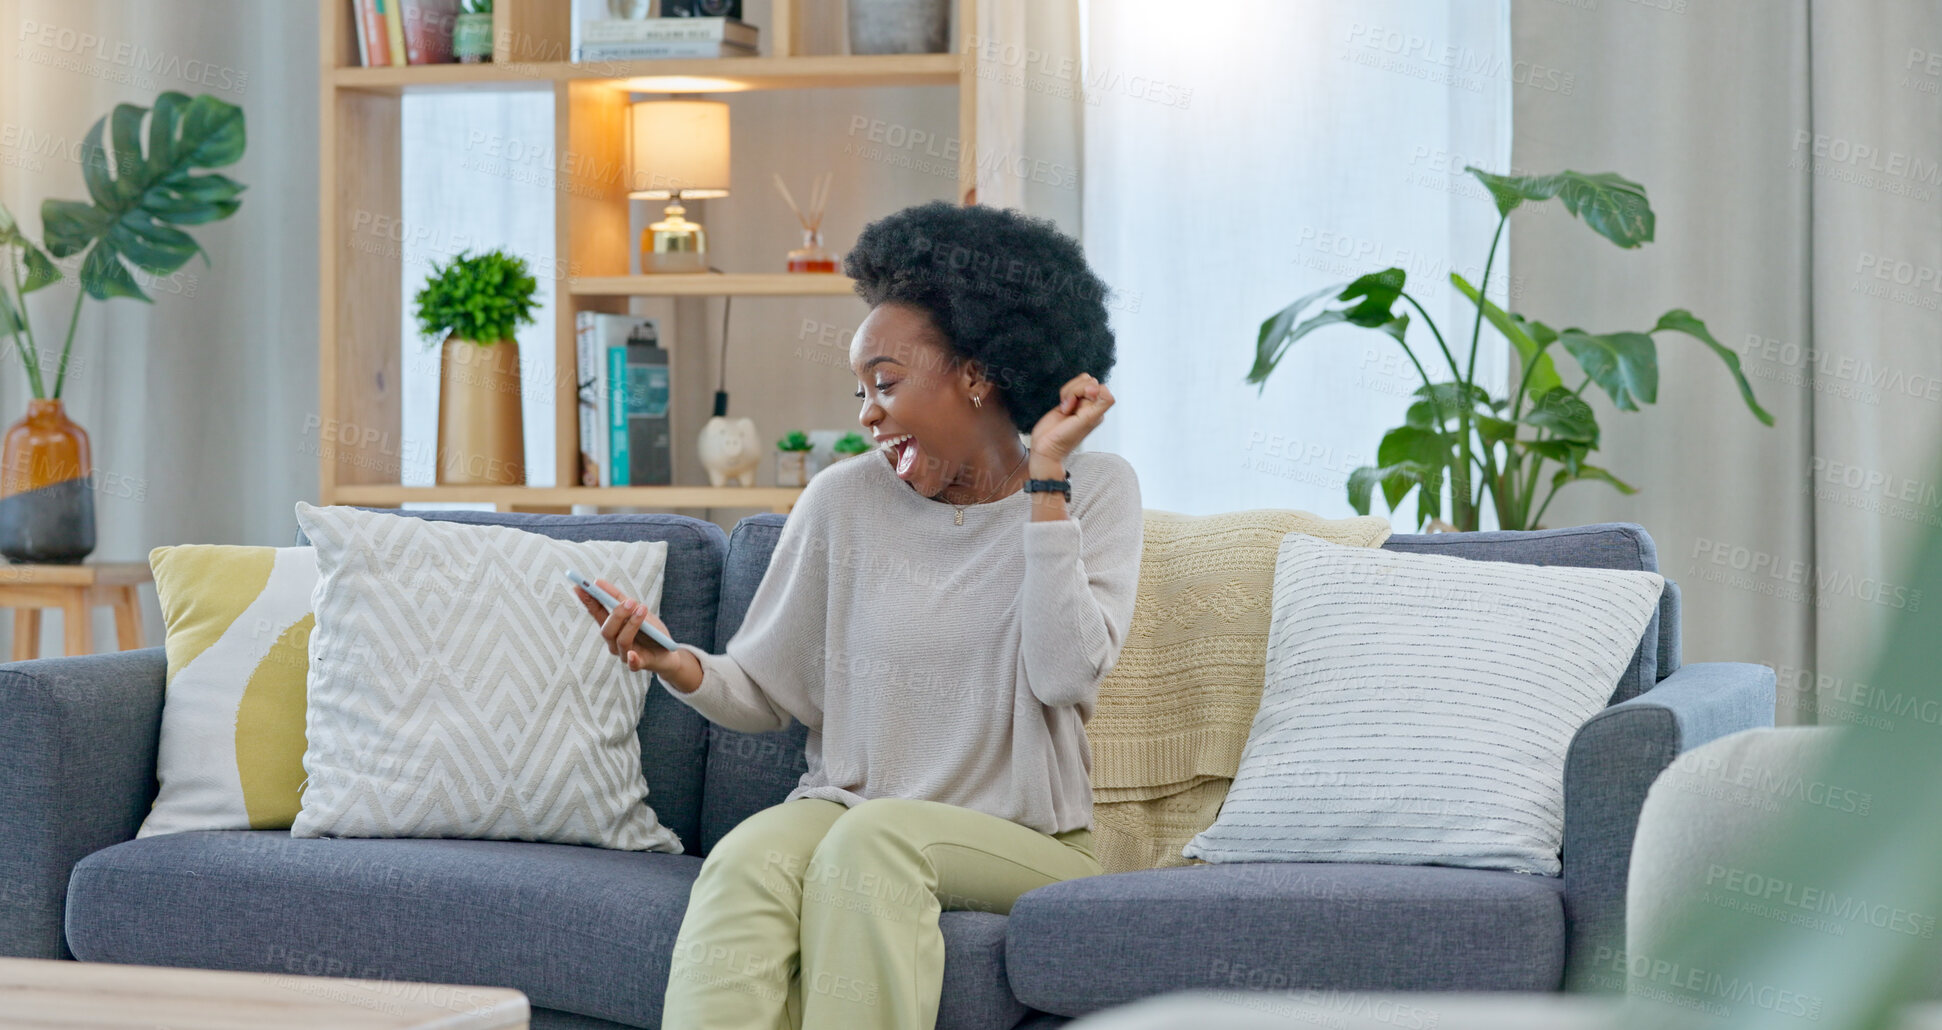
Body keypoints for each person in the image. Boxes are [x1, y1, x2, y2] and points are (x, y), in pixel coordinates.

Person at [574, 200, 1143, 1030]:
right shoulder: (844, 500)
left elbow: (1065, 674)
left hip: (1026, 840)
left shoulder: (1093, 490)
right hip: (848, 809)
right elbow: (763, 690)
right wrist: (673, 661)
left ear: (977, 373)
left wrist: (1047, 478)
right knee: (745, 860)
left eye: (886, 383)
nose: (866, 414)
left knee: (874, 846)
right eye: (861, 391)